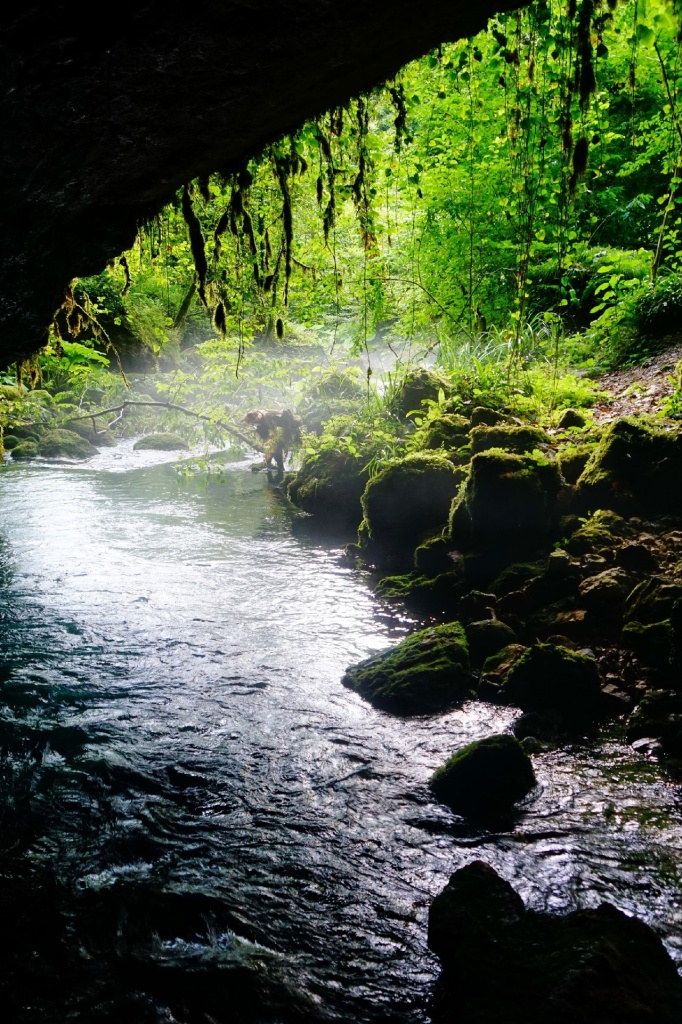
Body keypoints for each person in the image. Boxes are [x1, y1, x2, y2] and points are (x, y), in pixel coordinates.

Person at [242, 408, 301, 475]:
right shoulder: (260, 424)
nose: (254, 423)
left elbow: (281, 430)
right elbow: (265, 437)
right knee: (274, 450)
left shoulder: (270, 416)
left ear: (257, 415)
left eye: (254, 421)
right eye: (253, 422)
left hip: (287, 429)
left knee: (277, 450)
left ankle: (280, 468)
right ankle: (273, 466)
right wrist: (268, 448)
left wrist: (273, 443)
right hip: (277, 433)